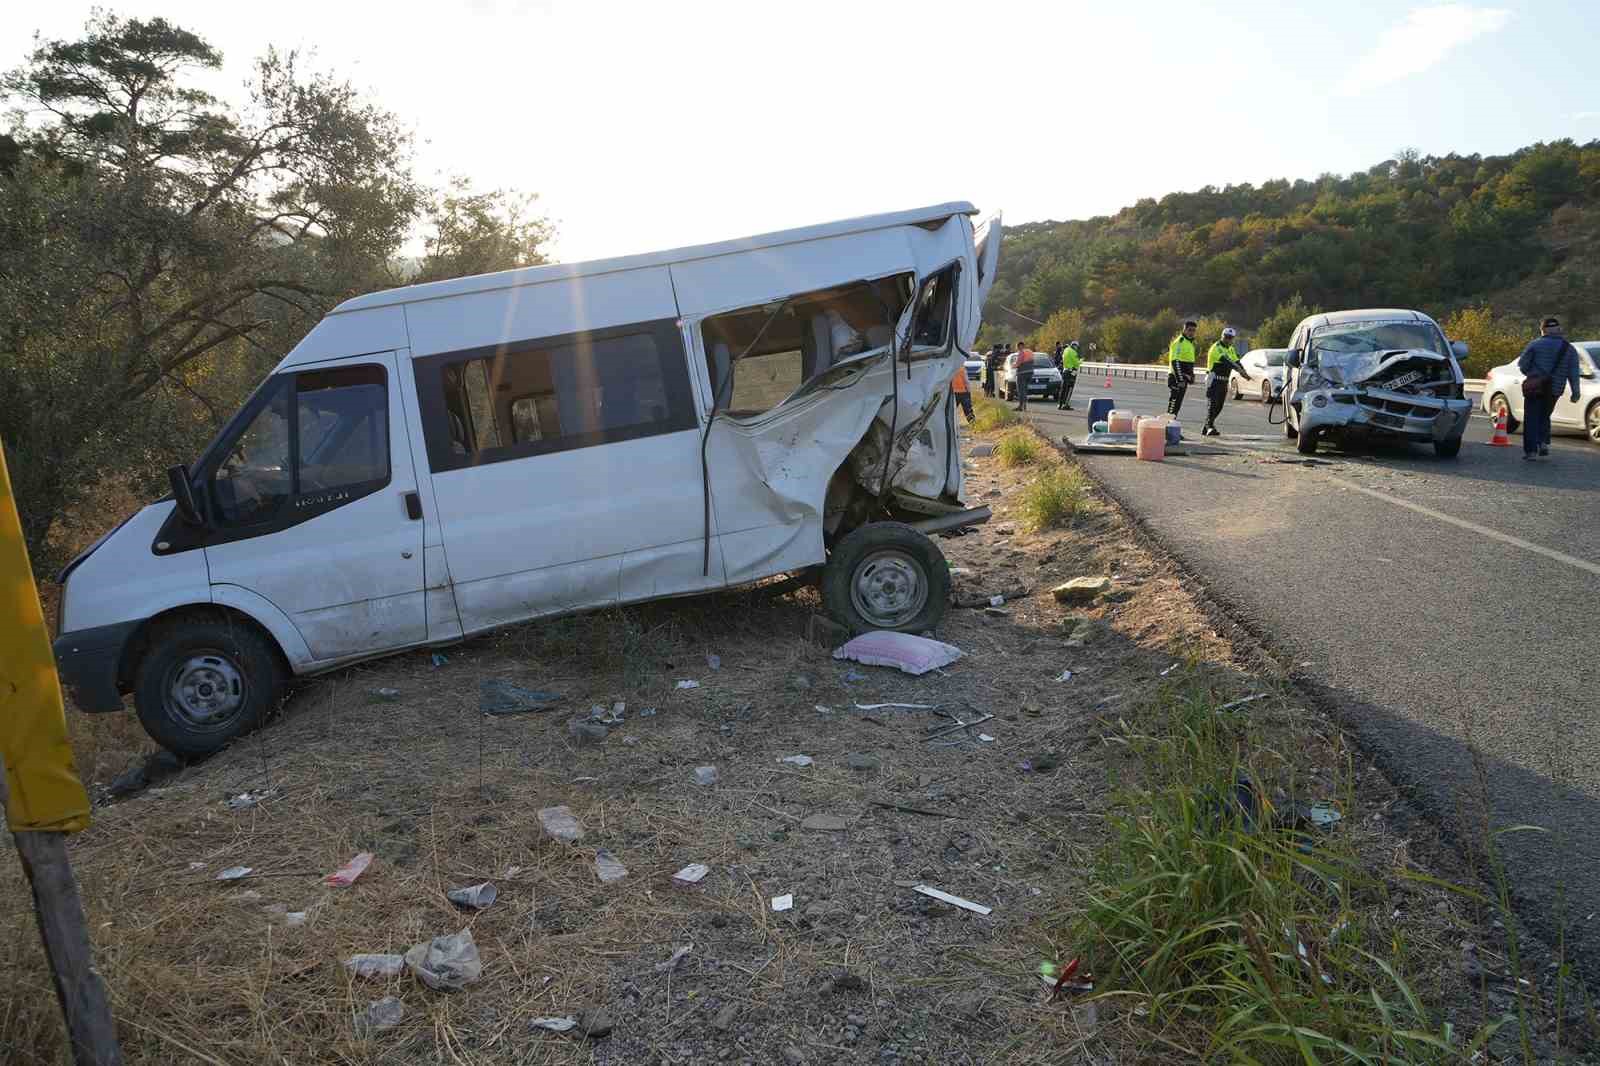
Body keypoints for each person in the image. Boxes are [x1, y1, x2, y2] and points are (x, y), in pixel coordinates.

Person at [1515, 316, 1581, 461]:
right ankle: (1543, 442)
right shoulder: (1569, 349)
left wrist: (1532, 374)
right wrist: (1575, 392)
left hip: (1536, 387)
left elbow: (1522, 365)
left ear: (1543, 330)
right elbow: (1574, 372)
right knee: (1545, 415)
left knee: (1531, 417)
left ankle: (1531, 451)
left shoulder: (1535, 345)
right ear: (1558, 329)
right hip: (1555, 389)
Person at [1201, 327, 1250, 436]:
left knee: (1219, 406)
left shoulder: (1231, 349)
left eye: (1230, 338)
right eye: (1226, 337)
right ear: (1222, 336)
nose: (1228, 339)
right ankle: (1209, 427)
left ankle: (1207, 426)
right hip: (1214, 380)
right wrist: (1241, 371)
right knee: (1212, 404)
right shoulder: (1216, 347)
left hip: (1224, 381)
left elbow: (1236, 361)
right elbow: (1227, 361)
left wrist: (1244, 371)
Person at [1167, 320, 1198, 416]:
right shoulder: (1179, 342)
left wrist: (1191, 376)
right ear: (1184, 330)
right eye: (1189, 330)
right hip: (1176, 378)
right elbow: (1175, 362)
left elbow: (1188, 363)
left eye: (1193, 330)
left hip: (1183, 379)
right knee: (1173, 406)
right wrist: (1180, 379)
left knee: (1177, 405)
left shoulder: (1190, 343)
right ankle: (1167, 423)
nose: (1191, 332)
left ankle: (1171, 422)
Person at [1056, 339, 1082, 410]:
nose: (1077, 348)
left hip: (1065, 371)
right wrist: (1080, 361)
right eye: (1076, 346)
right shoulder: (1073, 352)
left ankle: (1060, 404)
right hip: (1071, 372)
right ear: (1074, 346)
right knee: (1069, 389)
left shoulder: (1066, 350)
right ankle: (1065, 405)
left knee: (1063, 389)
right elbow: (1076, 363)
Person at [1013, 341, 1033, 411]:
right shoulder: (1030, 351)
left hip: (1022, 373)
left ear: (1019, 346)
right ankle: (1024, 405)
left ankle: (1021, 406)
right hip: (1030, 373)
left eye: (1017, 347)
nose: (1017, 348)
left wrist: (1013, 366)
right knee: (1025, 389)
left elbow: (1018, 363)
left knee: (1021, 390)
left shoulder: (1021, 352)